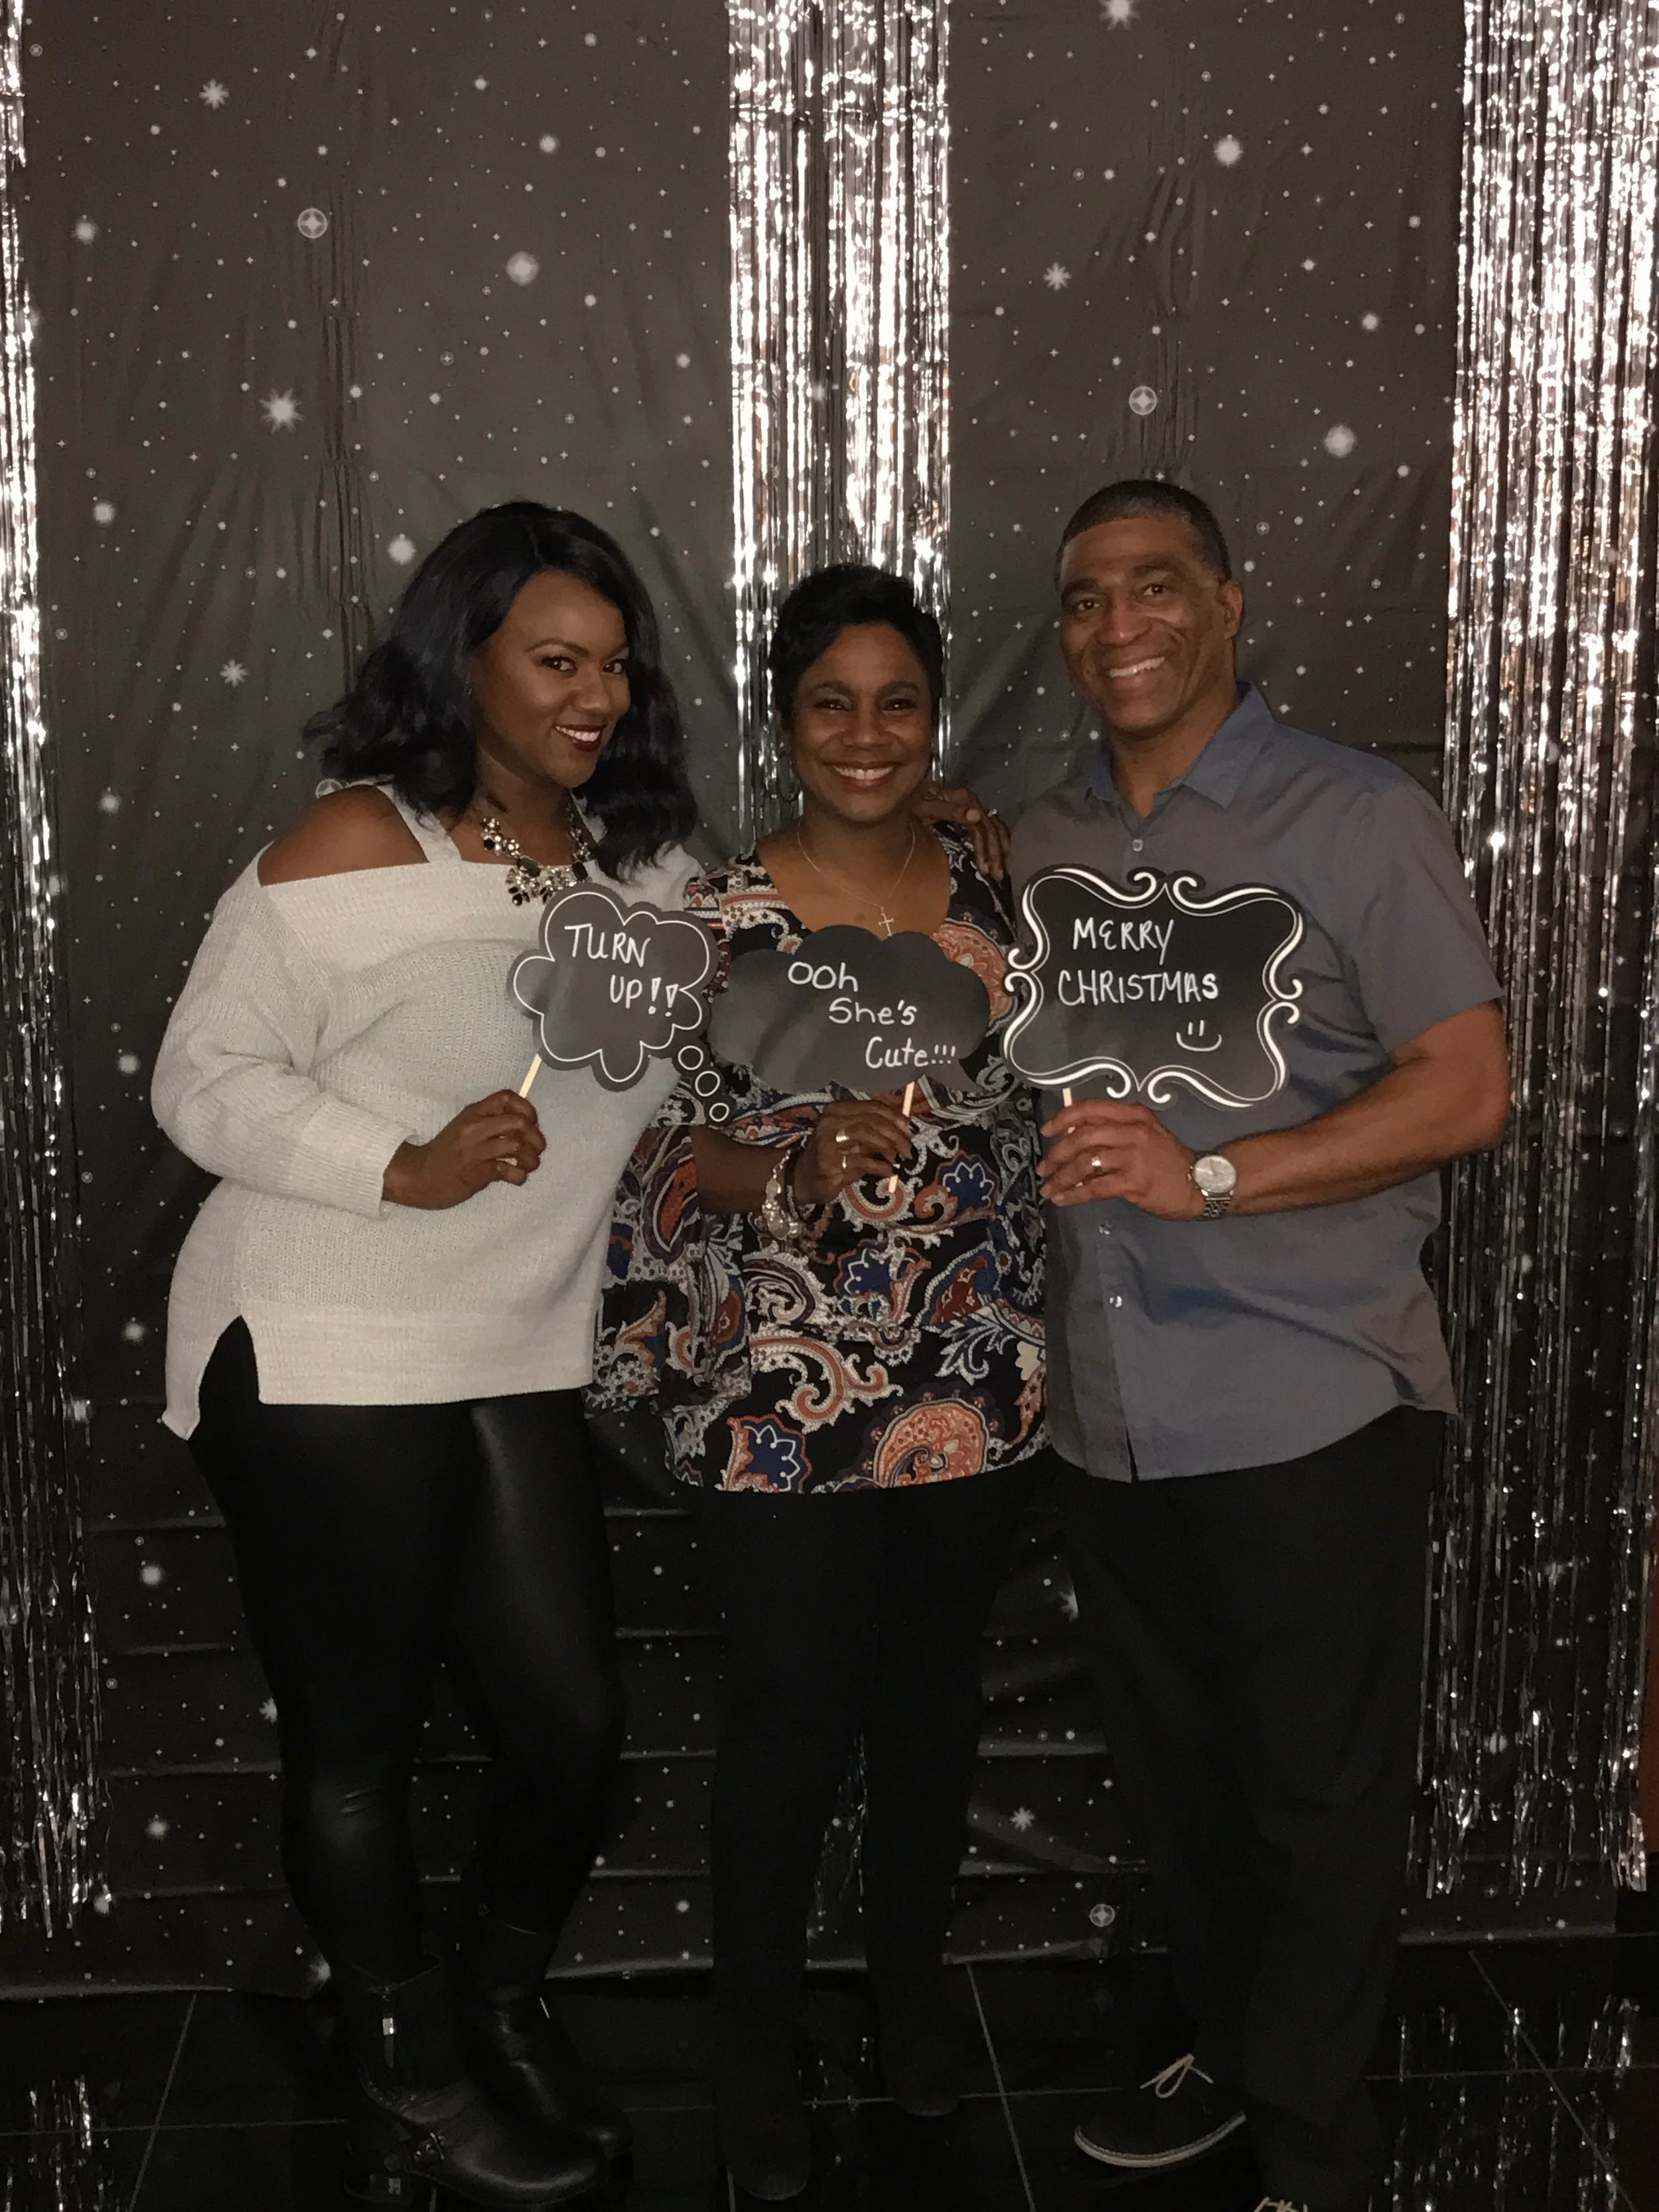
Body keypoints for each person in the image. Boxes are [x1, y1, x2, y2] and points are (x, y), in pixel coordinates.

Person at [151, 502, 699, 2211]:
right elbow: (202, 1083)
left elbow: (741, 1032)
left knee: (566, 1721)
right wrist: (397, 1161)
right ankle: (400, 2061)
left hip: (512, 1344)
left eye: (613, 663)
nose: (593, 694)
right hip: (316, 1332)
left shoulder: (644, 877)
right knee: (360, 1733)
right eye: (555, 660)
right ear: (458, 659)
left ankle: (497, 1995)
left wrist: (940, 853)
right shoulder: (347, 849)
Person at [1011, 481, 1510, 2212]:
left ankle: (1316, 2141)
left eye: (1154, 585)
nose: (1118, 620)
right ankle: (1231, 2058)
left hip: (1306, 1394)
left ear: (1227, 602)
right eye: (1084, 598)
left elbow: (1466, 1085)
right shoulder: (1043, 840)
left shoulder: (1354, 814)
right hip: (1110, 1413)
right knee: (1185, 1787)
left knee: (1312, 1794)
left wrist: (1208, 1174)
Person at [596, 566, 1046, 2201]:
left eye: (898, 700)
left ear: (938, 714)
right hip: (776, 1394)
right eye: (829, 703)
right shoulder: (709, 921)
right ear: (781, 722)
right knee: (790, 1724)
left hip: (974, 1373)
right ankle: (749, 2049)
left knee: (930, 1712)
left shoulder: (994, 875)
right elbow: (639, 1165)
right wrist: (774, 1162)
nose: (867, 735)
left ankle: (910, 1992)